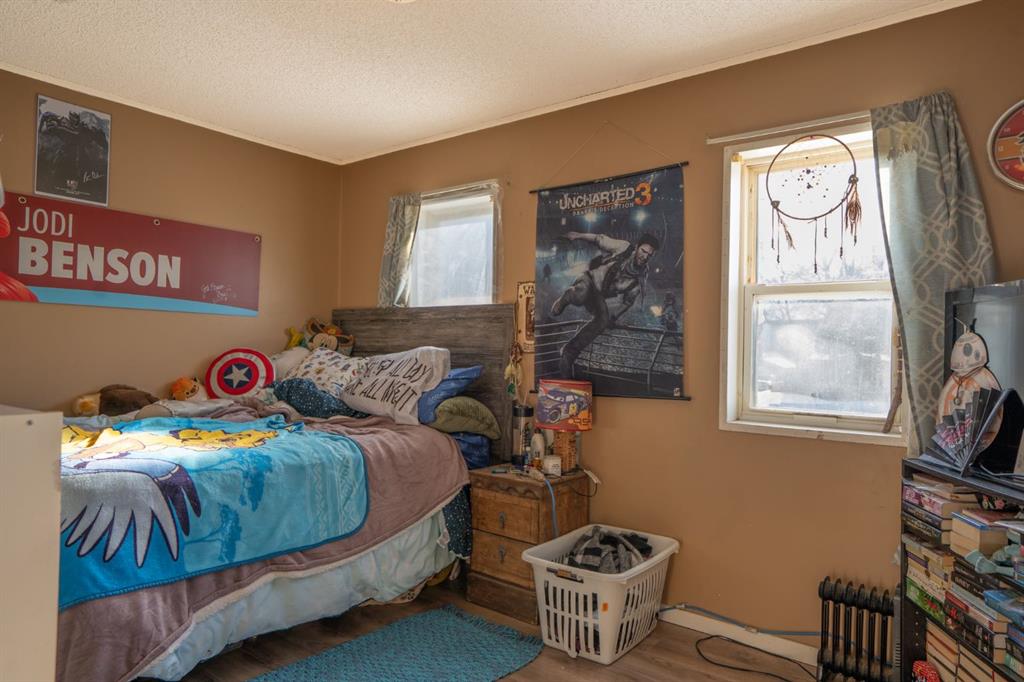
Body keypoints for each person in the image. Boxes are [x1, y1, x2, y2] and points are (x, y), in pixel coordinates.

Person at [550, 231, 660, 377]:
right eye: (643, 251)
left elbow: (627, 302)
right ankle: (567, 297)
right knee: (581, 294)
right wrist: (578, 236)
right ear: (637, 247)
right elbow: (599, 239)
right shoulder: (624, 248)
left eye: (649, 255)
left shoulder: (640, 279)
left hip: (599, 295)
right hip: (589, 280)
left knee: (602, 321)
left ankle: (569, 352)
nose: (645, 257)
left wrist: (612, 318)